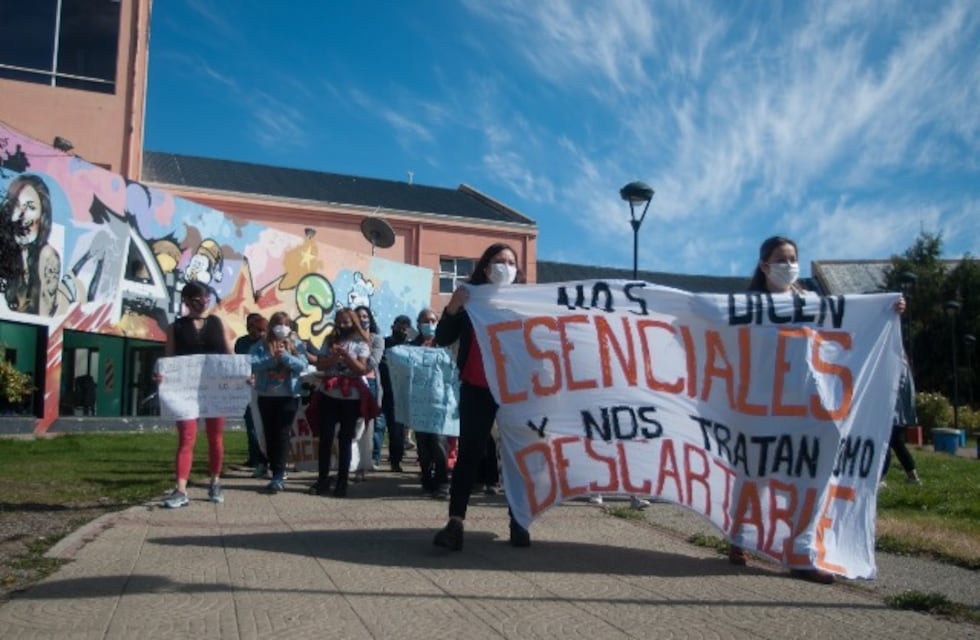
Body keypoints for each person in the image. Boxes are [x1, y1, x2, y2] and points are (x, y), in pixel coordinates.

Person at [730, 235, 905, 584]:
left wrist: (888, 309)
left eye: (793, 257)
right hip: (761, 405)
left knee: (809, 476)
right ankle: (740, 536)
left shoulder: (812, 301)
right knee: (755, 473)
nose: (789, 264)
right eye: (781, 259)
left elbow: (847, 325)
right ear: (764, 265)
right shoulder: (748, 305)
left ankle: (802, 552)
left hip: (807, 405)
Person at [432, 242, 529, 551]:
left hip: (514, 390)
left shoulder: (526, 302)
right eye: (499, 261)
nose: (506, 267)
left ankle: (519, 521)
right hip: (477, 387)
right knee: (469, 455)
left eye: (511, 262)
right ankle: (455, 523)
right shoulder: (471, 298)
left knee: (516, 457)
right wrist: (452, 308)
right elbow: (444, 338)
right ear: (486, 268)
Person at [158, 281, 234, 508]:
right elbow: (169, 358)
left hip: (214, 390)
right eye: (197, 299)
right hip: (186, 390)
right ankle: (181, 488)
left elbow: (229, 354)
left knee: (215, 437)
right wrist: (162, 375)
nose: (203, 303)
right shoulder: (176, 327)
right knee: (187, 437)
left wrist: (242, 374)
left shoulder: (217, 323)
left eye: (206, 298)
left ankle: (215, 481)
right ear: (187, 301)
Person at [308, 307, 378, 498]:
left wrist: (346, 356)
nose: (342, 325)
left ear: (353, 322)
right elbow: (320, 364)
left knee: (345, 440)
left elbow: (362, 368)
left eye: (346, 322)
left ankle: (342, 482)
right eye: (339, 321)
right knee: (325, 438)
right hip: (329, 393)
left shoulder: (361, 342)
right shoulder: (330, 340)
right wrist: (333, 358)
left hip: (351, 396)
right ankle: (322, 479)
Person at [250, 311, 308, 493]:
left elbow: (302, 365)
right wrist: (271, 358)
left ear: (289, 327)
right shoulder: (261, 345)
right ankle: (274, 468)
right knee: (269, 434)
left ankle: (278, 475)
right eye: (277, 324)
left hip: (289, 397)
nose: (281, 328)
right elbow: (252, 363)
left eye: (285, 325)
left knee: (283, 434)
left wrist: (284, 357)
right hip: (266, 396)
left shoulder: (296, 344)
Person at [408, 308, 451, 498]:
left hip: (439, 400)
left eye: (433, 321)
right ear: (418, 324)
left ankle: (442, 482)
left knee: (438, 441)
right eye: (426, 321)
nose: (430, 324)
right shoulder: (411, 346)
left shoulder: (443, 343)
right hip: (418, 400)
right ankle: (427, 481)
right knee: (423, 444)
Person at [2, 174, 60, 316]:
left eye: (30, 207)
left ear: (43, 215)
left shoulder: (47, 256)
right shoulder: (7, 252)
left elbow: (44, 319)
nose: (22, 215)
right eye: (16, 205)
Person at [353, 305, 384, 481]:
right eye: (358, 317)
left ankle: (363, 466)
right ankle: (349, 463)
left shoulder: (377, 339)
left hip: (369, 384)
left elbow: (372, 362)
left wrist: (354, 363)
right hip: (349, 385)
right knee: (351, 428)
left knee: (367, 428)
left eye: (365, 316)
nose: (362, 319)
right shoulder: (347, 338)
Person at [377, 315, 412, 471]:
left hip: (400, 396)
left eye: (405, 328)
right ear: (393, 327)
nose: (402, 330)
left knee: (396, 431)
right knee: (378, 428)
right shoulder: (383, 343)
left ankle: (395, 461)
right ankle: (373, 459)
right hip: (381, 392)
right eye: (400, 327)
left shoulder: (410, 348)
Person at [235, 313, 268, 473]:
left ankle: (265, 457)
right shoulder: (241, 342)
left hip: (263, 387)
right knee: (250, 423)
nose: (253, 330)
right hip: (246, 387)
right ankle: (254, 457)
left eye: (257, 327)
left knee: (264, 424)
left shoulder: (268, 342)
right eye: (250, 326)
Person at [881, 356, 921, 486]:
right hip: (901, 411)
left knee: (885, 441)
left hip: (892, 410)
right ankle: (913, 476)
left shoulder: (891, 358)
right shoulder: (901, 360)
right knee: (897, 443)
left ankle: (881, 478)